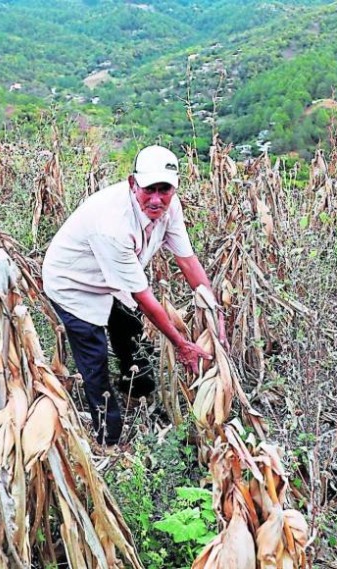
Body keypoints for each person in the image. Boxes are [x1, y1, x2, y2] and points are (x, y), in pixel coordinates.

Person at [42, 145, 222, 446]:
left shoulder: (169, 206)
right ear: (132, 184)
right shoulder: (113, 225)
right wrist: (182, 345)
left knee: (131, 333)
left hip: (113, 278)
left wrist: (216, 316)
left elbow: (188, 262)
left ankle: (138, 392)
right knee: (94, 360)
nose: (156, 199)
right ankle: (108, 438)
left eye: (164, 189)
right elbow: (144, 298)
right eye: (148, 189)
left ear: (174, 188)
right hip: (74, 284)